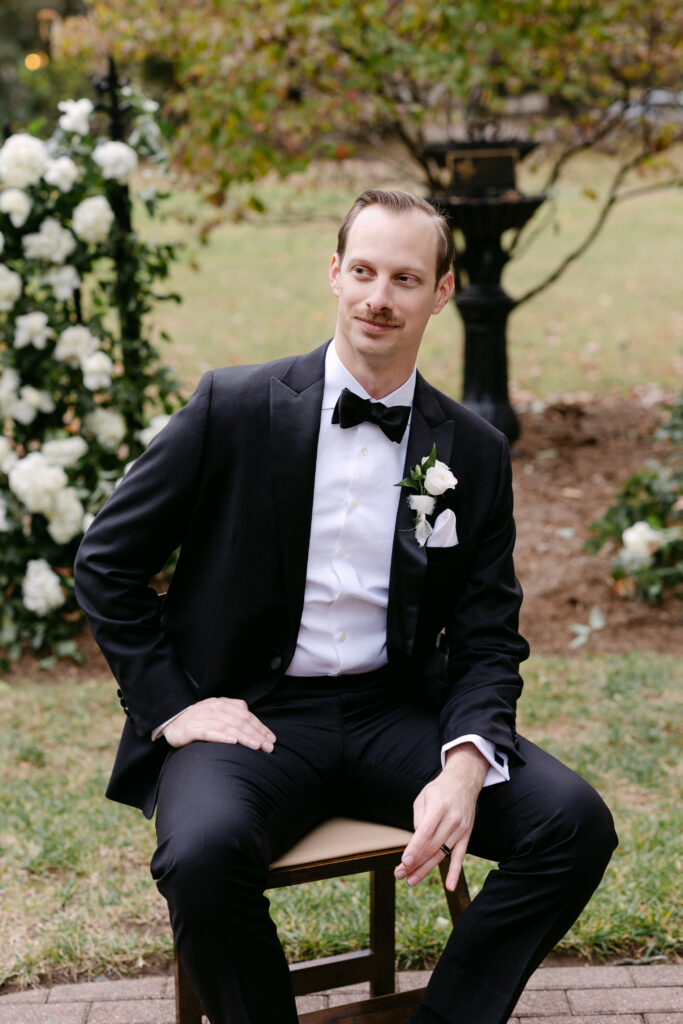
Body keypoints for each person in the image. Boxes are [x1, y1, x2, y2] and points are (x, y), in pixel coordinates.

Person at [74, 189, 617, 1024]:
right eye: (361, 271)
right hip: (252, 718)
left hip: (392, 713)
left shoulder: (471, 450)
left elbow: (485, 636)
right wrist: (174, 707)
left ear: (440, 293)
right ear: (333, 273)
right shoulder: (234, 406)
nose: (377, 297)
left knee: (572, 825)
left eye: (405, 278)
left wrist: (466, 763)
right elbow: (106, 562)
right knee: (201, 856)